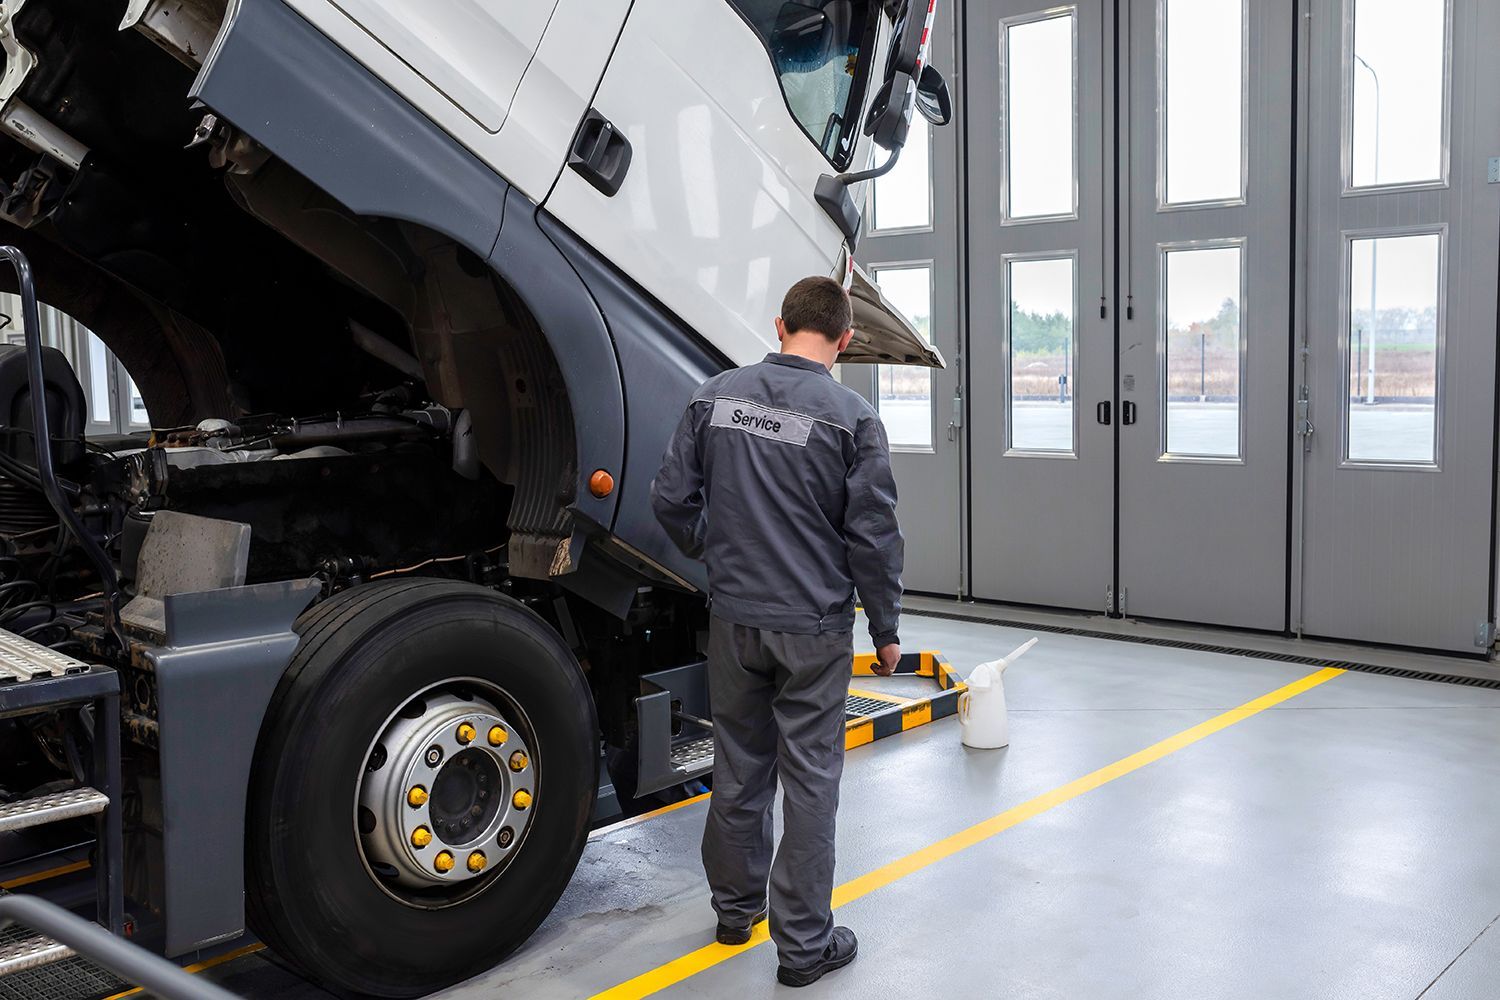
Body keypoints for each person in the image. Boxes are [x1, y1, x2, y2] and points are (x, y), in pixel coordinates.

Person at [650, 275, 904, 987]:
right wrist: (885, 628)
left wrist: (714, 550)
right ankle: (803, 947)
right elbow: (874, 538)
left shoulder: (714, 395)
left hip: (733, 620)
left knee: (738, 767)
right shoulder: (853, 419)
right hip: (814, 628)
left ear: (780, 323)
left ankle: (735, 914)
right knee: (812, 780)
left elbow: (670, 499)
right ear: (845, 340)